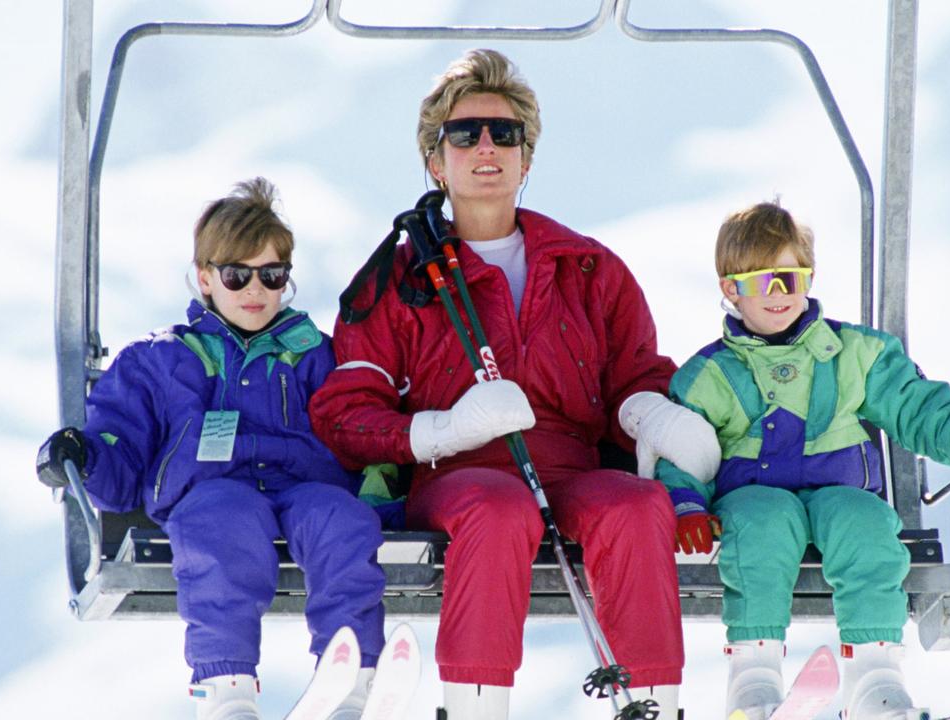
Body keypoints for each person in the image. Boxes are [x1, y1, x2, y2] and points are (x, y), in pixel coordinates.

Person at [308, 49, 722, 720]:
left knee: (636, 507)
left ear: (527, 159)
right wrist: (445, 428)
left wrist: (654, 416)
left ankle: (653, 703)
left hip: (570, 465)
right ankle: (474, 707)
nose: (486, 147)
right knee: (498, 510)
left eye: (505, 133)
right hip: (457, 473)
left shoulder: (589, 270)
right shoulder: (402, 282)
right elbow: (345, 413)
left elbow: (633, 374)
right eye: (464, 134)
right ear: (435, 161)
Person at [35, 178, 387, 720]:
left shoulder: (312, 354)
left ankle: (351, 676)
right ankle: (226, 686)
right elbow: (121, 450)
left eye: (271, 275)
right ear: (205, 278)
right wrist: (84, 458)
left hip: (303, 488)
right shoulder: (162, 361)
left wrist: (386, 476)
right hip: (211, 492)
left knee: (342, 520)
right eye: (236, 275)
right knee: (222, 525)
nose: (256, 290)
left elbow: (358, 426)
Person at [658, 201, 950, 720]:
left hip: (840, 491)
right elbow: (679, 445)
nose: (780, 296)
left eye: (790, 278)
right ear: (731, 289)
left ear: (809, 278)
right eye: (762, 283)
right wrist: (686, 504)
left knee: (867, 525)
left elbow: (915, 403)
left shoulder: (854, 353)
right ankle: (754, 683)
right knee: (761, 526)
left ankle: (876, 682)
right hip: (752, 498)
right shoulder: (710, 375)